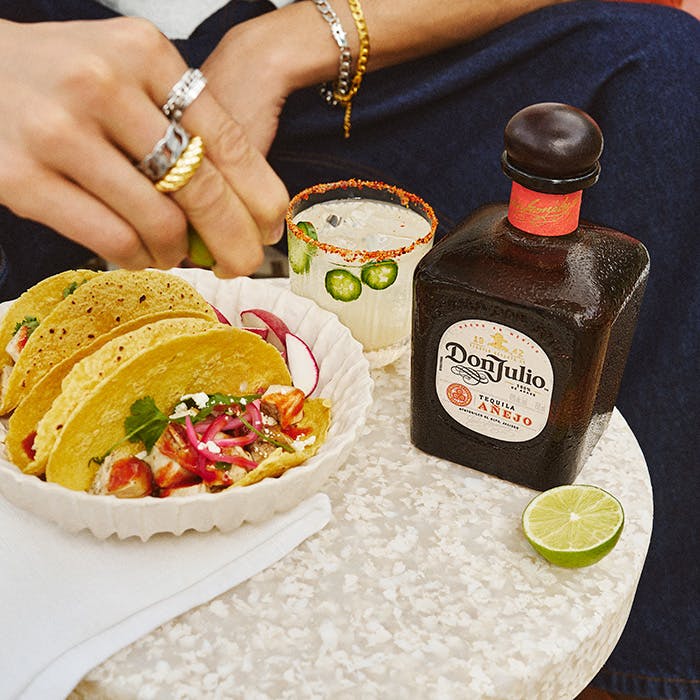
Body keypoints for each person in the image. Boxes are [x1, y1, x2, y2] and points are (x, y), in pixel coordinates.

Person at [1, 1, 698, 698]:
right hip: (44, 57)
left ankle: (640, 667)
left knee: (664, 67)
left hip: (365, 58)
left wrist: (291, 39)